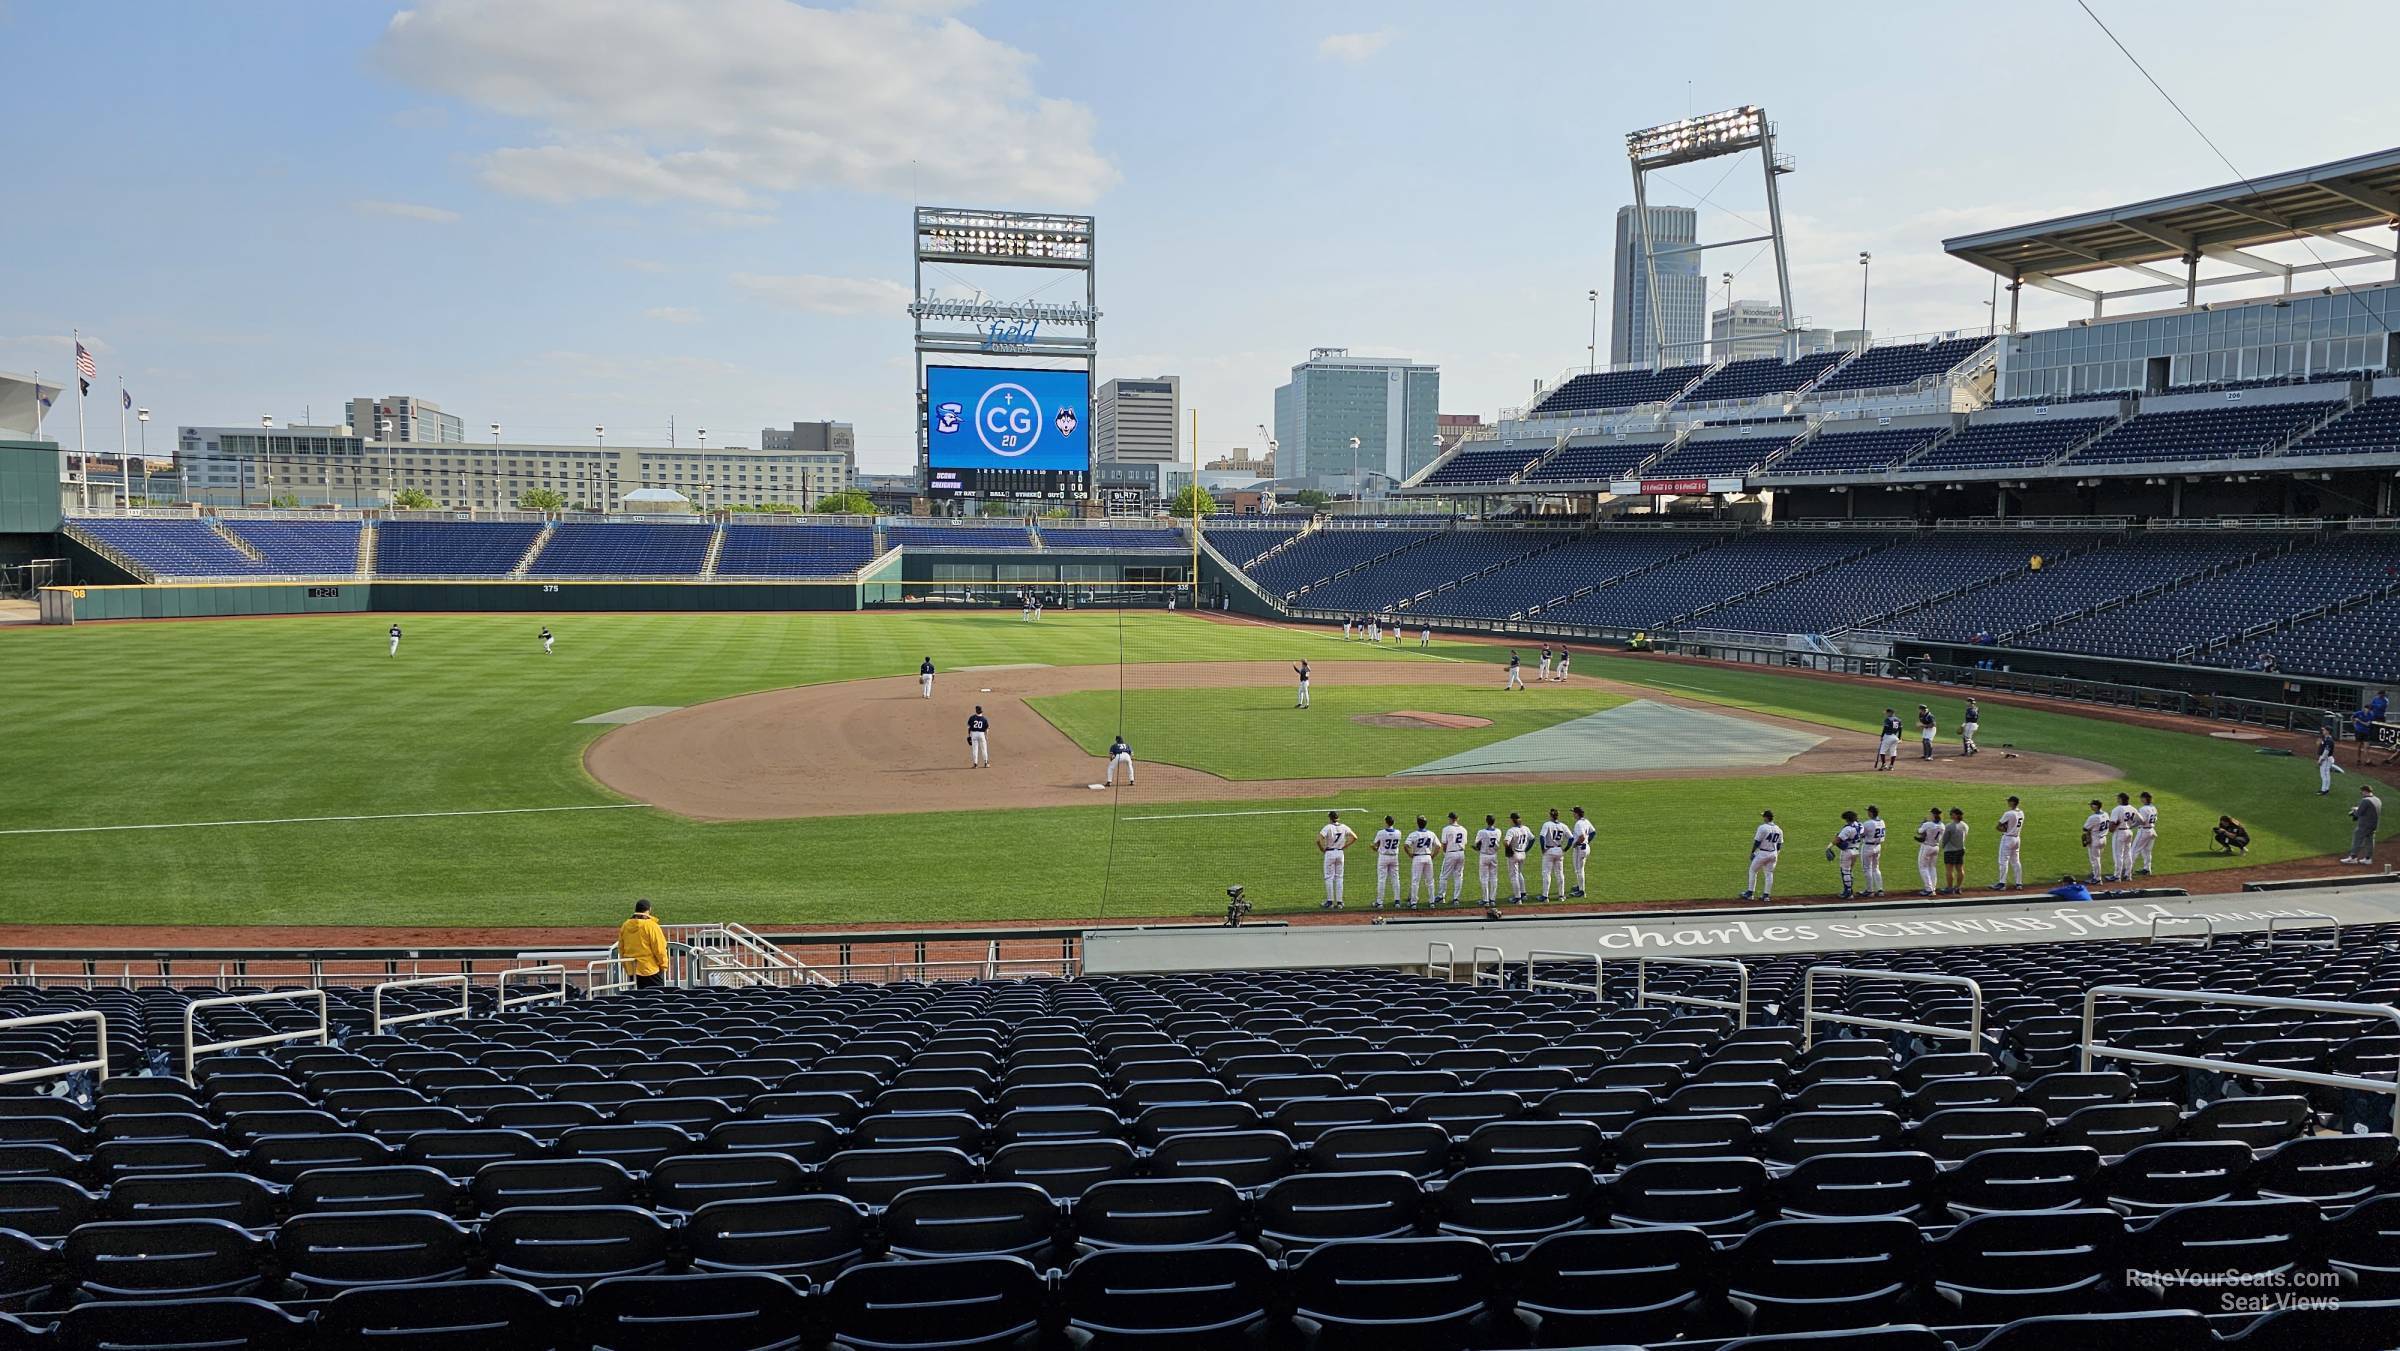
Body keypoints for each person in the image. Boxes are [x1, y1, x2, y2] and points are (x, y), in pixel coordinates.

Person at [616, 899, 670, 991]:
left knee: (638, 996)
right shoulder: (651, 926)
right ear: (649, 910)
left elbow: (621, 948)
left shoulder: (625, 925)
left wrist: (626, 966)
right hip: (649, 969)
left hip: (632, 968)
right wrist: (664, 966)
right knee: (658, 995)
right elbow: (659, 949)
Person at [1740, 809, 1783, 903]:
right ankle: (1766, 896)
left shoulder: (1763, 828)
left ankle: (1750, 893)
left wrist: (1752, 852)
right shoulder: (1779, 829)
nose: (1763, 818)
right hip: (1773, 854)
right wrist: (1776, 854)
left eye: (1764, 816)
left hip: (1762, 853)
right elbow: (1779, 845)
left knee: (1753, 870)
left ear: (1767, 818)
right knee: (1769, 873)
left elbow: (1757, 842)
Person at [1317, 811, 1356, 911]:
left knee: (1329, 877)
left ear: (1330, 818)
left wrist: (1322, 849)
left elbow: (1318, 839)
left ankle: (1329, 902)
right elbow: (1355, 837)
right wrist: (1345, 846)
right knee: (1339, 877)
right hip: (1340, 853)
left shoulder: (1327, 827)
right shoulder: (1344, 827)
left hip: (1330, 853)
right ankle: (1339, 902)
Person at [1405, 816, 1440, 909]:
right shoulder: (1431, 834)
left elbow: (1406, 845)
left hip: (1417, 858)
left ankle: (1413, 902)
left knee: (1415, 881)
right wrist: (1432, 856)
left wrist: (1410, 854)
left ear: (1417, 823)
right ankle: (1432, 902)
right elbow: (1438, 846)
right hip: (1428, 858)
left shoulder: (1413, 834)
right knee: (1430, 881)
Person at [1537, 809, 1572, 903]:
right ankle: (1561, 895)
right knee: (1560, 873)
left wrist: (1543, 849)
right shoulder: (1563, 826)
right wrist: (1566, 849)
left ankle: (1545, 896)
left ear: (1550, 815)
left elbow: (1542, 837)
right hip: (1559, 850)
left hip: (1549, 850)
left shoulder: (1547, 824)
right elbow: (1571, 838)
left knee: (1546, 873)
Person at [2343, 783, 2382, 866]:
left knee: (2357, 839)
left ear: (2365, 791)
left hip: (2364, 825)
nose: (2361, 794)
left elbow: (2358, 813)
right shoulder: (2377, 799)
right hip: (2374, 825)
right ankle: (2368, 859)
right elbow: (2370, 810)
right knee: (2370, 841)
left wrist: (2354, 810)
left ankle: (2353, 858)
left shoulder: (2365, 800)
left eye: (2362, 792)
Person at [1372, 815, 1405, 909]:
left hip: (1383, 857)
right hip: (1394, 857)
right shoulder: (1398, 833)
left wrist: (1373, 847)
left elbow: (1375, 845)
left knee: (1382, 879)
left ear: (1386, 822)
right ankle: (1397, 901)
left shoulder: (1381, 833)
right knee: (1395, 879)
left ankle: (1379, 902)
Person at [1502, 812, 1535, 905]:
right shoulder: (1525, 828)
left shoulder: (1511, 830)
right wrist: (1526, 849)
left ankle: (1517, 898)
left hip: (1514, 855)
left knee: (1514, 876)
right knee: (1519, 873)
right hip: (1522, 854)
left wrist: (1508, 849)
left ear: (1512, 820)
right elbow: (1532, 839)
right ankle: (1523, 894)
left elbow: (1506, 842)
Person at [1830, 810, 1863, 901]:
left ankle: (1848, 893)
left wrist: (1829, 847)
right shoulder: (1860, 825)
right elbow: (1862, 834)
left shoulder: (1847, 828)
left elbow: (1838, 840)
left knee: (1845, 871)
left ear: (1847, 819)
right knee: (1849, 871)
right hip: (1856, 850)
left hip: (1847, 851)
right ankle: (1849, 890)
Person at [1473, 814, 1503, 909]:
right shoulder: (1498, 831)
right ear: (1494, 821)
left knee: (1484, 878)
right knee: (1494, 877)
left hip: (1484, 856)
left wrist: (1477, 847)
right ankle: (1492, 900)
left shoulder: (1481, 832)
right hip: (1494, 856)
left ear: (1486, 821)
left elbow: (1477, 844)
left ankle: (1485, 900)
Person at [1439, 812, 1469, 907]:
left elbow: (1444, 844)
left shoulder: (1446, 829)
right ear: (1457, 818)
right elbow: (1465, 843)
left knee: (1444, 876)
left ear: (1450, 819)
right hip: (1461, 853)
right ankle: (1456, 898)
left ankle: (1441, 897)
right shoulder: (1464, 829)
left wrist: (1446, 853)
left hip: (1450, 853)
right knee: (1458, 876)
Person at [1995, 796, 2025, 890]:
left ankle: (2002, 884)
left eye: (2009, 801)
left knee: (2003, 861)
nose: (2007, 802)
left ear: (2012, 802)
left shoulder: (2008, 813)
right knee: (2016, 862)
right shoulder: (2021, 813)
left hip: (2008, 839)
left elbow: (1998, 826)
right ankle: (2019, 883)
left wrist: (2004, 829)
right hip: (2017, 839)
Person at [1913, 808, 1945, 897]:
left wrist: (1922, 824)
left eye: (1931, 813)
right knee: (1932, 867)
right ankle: (1933, 888)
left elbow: (1919, 831)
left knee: (1923, 867)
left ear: (1934, 815)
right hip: (1936, 847)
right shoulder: (1942, 826)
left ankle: (1929, 889)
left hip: (1927, 847)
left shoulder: (1928, 824)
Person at [1860, 805, 1888, 897]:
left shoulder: (1868, 823)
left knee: (1867, 868)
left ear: (1871, 813)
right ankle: (1880, 890)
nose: (1867, 813)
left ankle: (1869, 890)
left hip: (1868, 847)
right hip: (1878, 846)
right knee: (1876, 868)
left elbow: (1861, 835)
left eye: (1868, 811)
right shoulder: (1882, 822)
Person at [2081, 799, 2112, 884]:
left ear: (2096, 806)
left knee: (2095, 860)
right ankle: (2095, 874)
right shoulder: (2106, 814)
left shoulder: (2093, 817)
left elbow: (2085, 829)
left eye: (2092, 805)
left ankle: (2097, 879)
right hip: (2103, 839)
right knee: (2097, 859)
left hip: (2095, 840)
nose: (2090, 806)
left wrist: (2088, 837)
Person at [2107, 792, 2135, 881]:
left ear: (2121, 799)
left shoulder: (2117, 809)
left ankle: (2117, 876)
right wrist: (2130, 825)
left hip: (2119, 833)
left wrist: (2112, 828)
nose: (2117, 799)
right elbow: (2141, 820)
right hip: (2129, 832)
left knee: (2118, 855)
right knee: (2128, 854)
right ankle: (2128, 875)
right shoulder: (2132, 808)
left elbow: (2111, 827)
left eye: (2118, 798)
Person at [1941, 807, 1970, 895]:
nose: (1950, 815)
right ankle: (1958, 887)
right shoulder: (1965, 825)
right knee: (1960, 869)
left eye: (1952, 814)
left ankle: (1949, 888)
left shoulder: (1949, 826)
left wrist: (1943, 846)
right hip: (1961, 849)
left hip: (1950, 850)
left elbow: (1945, 839)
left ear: (1956, 815)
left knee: (1949, 870)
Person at [1568, 806, 1595, 899]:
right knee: (1578, 869)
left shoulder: (1578, 824)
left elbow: (1582, 837)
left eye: (1573, 812)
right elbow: (1593, 832)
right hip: (1585, 848)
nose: (1572, 814)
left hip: (1580, 849)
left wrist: (1576, 844)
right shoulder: (1586, 821)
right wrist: (1587, 842)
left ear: (1577, 814)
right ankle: (1579, 886)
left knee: (1579, 870)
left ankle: (1581, 891)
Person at [2131, 790, 2159, 876]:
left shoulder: (2143, 809)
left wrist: (2131, 826)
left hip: (2144, 831)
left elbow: (2141, 821)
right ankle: (2147, 869)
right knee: (2147, 851)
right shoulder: (2154, 808)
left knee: (2134, 850)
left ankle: (2127, 871)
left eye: (2141, 797)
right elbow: (2155, 819)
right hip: (2152, 831)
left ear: (2144, 798)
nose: (2140, 799)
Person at [2320, 728, 2346, 795]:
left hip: (2326, 759)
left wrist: (2321, 759)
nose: (2323, 731)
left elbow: (2326, 751)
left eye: (2324, 730)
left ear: (2328, 731)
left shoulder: (2329, 740)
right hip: (2326, 758)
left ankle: (2324, 790)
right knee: (2325, 774)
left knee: (2325, 775)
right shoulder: (2326, 739)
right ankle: (2325, 789)